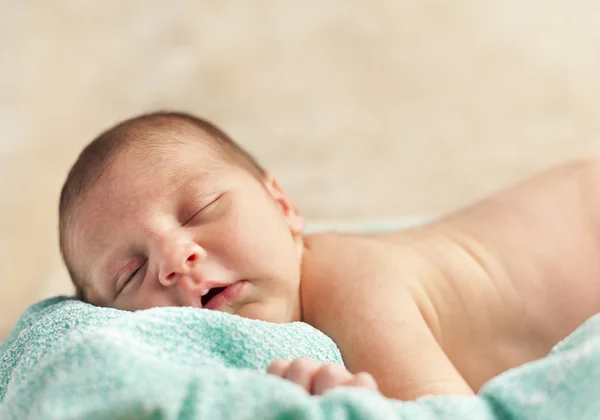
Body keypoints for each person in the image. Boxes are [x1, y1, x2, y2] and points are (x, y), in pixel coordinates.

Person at [58, 111, 600, 400]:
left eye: (201, 208)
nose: (175, 258)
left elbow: (443, 414)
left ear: (284, 205)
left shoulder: (346, 283)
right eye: (130, 274)